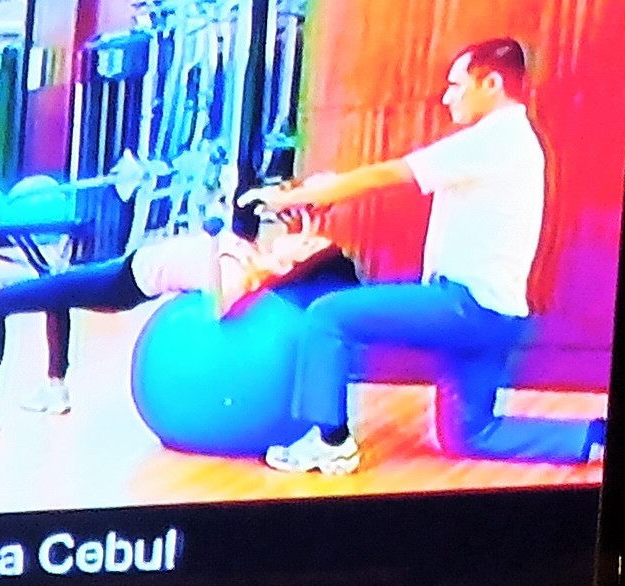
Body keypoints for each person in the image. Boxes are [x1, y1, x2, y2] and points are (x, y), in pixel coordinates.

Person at [250, 38, 606, 475]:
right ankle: (595, 437)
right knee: (469, 434)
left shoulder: (493, 140)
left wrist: (297, 196)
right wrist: (325, 191)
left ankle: (331, 442)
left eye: (457, 85)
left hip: (466, 308)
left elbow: (391, 173)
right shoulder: (514, 141)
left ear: (492, 84)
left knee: (328, 316)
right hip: (497, 316)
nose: (447, 96)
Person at [0, 205, 356, 437]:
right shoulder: (255, 256)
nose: (299, 236)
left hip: (123, 283)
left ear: (292, 264)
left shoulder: (241, 273)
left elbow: (220, 306)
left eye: (306, 244)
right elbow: (297, 239)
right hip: (126, 268)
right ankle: (55, 387)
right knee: (56, 288)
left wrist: (233, 262)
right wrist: (302, 219)